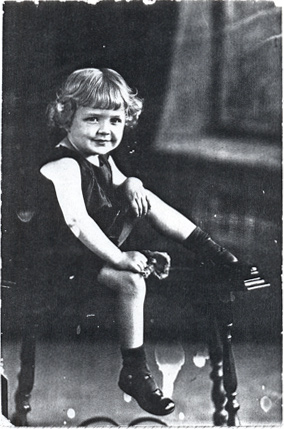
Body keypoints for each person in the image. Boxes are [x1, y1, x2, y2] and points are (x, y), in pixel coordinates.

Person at [37, 68, 250, 416]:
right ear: (65, 117)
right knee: (131, 281)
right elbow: (77, 224)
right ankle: (134, 370)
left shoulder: (99, 158)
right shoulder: (64, 165)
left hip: (91, 253)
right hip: (59, 259)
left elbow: (123, 185)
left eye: (115, 121)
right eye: (92, 119)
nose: (105, 130)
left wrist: (132, 183)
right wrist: (121, 259)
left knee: (144, 196)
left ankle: (216, 255)